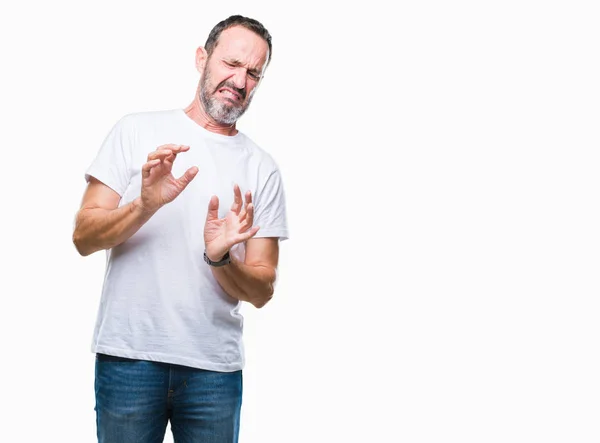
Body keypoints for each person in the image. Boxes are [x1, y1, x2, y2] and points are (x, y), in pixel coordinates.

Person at [72, 15, 288, 443]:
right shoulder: (136, 130)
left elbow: (263, 290)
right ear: (201, 58)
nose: (239, 81)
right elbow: (83, 237)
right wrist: (145, 205)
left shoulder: (262, 167)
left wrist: (221, 258)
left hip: (214, 372)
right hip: (129, 360)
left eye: (253, 73)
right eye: (230, 63)